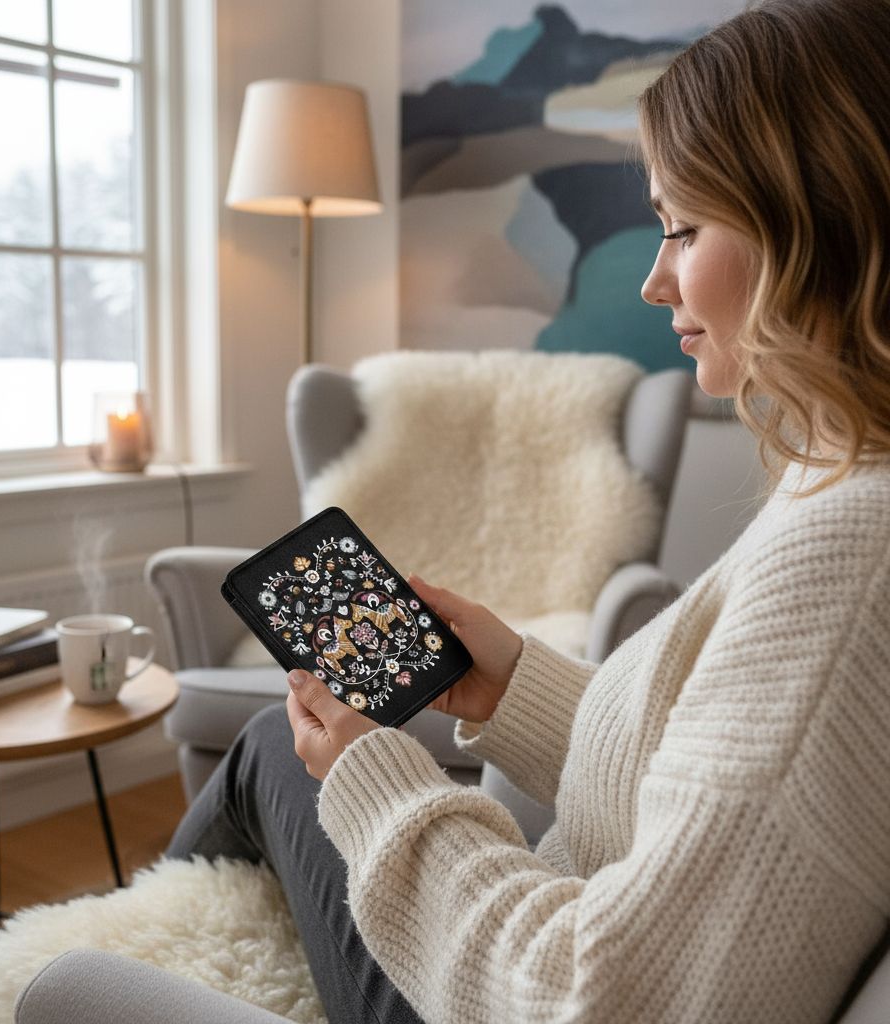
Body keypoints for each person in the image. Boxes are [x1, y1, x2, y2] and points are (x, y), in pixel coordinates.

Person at [166, 0, 890, 1020]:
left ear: (820, 220)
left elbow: (603, 998)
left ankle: (103, 970)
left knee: (268, 750)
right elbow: (726, 797)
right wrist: (515, 686)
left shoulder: (850, 560)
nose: (651, 279)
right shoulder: (844, 486)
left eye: (683, 226)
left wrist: (376, 779)